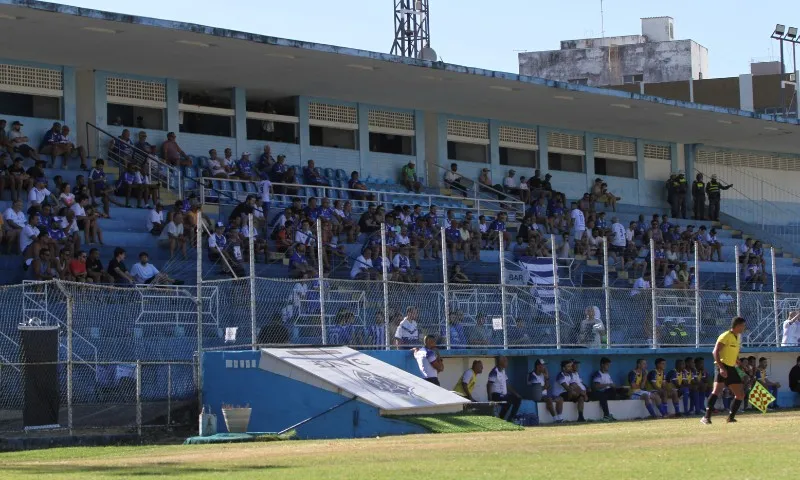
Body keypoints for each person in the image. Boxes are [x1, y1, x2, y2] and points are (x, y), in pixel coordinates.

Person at [702, 316, 746, 425]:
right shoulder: (725, 335)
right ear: (738, 325)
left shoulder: (737, 337)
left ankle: (730, 418)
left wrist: (737, 360)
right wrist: (721, 368)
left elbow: (731, 352)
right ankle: (706, 417)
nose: (744, 328)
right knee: (716, 391)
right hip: (723, 366)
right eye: (743, 326)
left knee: (740, 394)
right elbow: (715, 352)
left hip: (731, 367)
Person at [487, 356, 521, 422]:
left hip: (503, 395)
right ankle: (511, 419)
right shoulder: (494, 372)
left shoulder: (503, 371)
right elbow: (488, 385)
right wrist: (490, 398)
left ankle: (501, 419)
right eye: (505, 361)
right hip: (496, 395)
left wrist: (516, 394)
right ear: (500, 362)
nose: (507, 362)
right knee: (510, 400)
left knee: (516, 399)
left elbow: (507, 385)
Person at [590, 357, 618, 422]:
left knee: (616, 392)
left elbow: (611, 384)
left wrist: (613, 386)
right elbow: (596, 386)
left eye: (609, 365)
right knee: (603, 396)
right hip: (597, 393)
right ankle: (606, 415)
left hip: (606, 392)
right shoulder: (598, 374)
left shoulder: (607, 374)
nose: (608, 367)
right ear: (602, 365)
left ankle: (608, 415)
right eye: (607, 365)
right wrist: (608, 385)